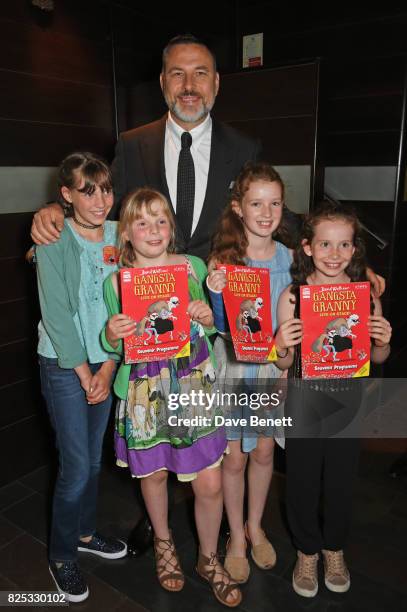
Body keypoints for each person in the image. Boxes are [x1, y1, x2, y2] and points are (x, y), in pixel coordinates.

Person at [102, 187, 242, 607]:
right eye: (141, 222)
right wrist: (112, 334)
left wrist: (206, 311)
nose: (153, 229)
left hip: (193, 383)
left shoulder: (193, 266)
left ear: (172, 228)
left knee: (211, 482)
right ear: (125, 233)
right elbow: (114, 347)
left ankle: (207, 557)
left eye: (161, 220)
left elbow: (215, 326)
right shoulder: (116, 283)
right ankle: (164, 547)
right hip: (145, 390)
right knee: (155, 475)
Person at [30, 34, 261, 260]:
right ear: (162, 82)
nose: (189, 86)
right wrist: (58, 211)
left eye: (200, 73)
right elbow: (101, 206)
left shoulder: (243, 149)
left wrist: (298, 241)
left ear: (216, 82)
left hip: (217, 291)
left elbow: (271, 213)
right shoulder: (132, 146)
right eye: (177, 74)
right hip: (149, 291)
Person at [274, 202, 392, 598]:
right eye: (325, 244)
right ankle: (307, 551)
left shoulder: (363, 297)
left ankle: (334, 548)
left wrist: (383, 340)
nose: (334, 254)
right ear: (307, 247)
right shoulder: (293, 296)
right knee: (303, 481)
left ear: (355, 249)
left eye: (344, 245)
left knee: (341, 481)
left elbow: (377, 359)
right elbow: (285, 361)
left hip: (348, 401)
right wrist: (281, 345)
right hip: (305, 400)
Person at [35, 152, 127, 603]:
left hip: (104, 364)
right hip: (63, 364)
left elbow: (128, 308)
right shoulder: (53, 238)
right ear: (66, 196)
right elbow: (57, 316)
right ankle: (62, 555)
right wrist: (88, 371)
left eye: (106, 189)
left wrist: (109, 367)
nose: (100, 200)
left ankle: (87, 534)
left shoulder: (120, 236)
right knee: (74, 467)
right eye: (87, 191)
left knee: (93, 461)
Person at [206, 162, 292, 583]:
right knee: (235, 457)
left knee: (263, 452)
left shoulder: (292, 259)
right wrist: (217, 293)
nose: (266, 211)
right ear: (238, 208)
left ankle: (255, 526)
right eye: (256, 202)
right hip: (237, 371)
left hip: (275, 371)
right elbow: (223, 328)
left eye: (274, 202)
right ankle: (235, 537)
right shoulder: (226, 262)